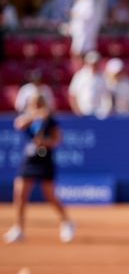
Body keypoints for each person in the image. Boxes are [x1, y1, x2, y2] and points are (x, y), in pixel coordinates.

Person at [3, 93, 75, 244]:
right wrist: (35, 116)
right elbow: (19, 124)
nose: (36, 106)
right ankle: (19, 229)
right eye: (33, 104)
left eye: (39, 104)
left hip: (45, 160)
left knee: (50, 195)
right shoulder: (29, 119)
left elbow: (57, 140)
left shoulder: (51, 122)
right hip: (29, 160)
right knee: (20, 193)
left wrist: (45, 142)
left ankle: (67, 222)